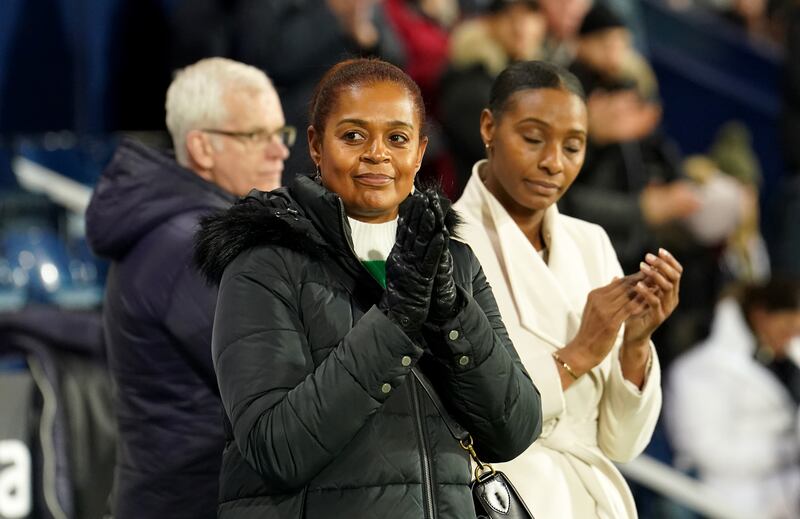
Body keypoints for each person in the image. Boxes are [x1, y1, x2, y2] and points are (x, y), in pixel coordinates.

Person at [194, 58, 542, 518]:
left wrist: (452, 314)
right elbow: (277, 450)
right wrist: (395, 320)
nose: (377, 153)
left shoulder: (455, 263)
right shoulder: (263, 263)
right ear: (316, 146)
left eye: (397, 138)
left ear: (419, 153)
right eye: (353, 136)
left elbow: (515, 430)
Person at [453, 60, 680, 519]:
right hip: (500, 495)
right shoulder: (447, 243)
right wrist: (578, 353)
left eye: (573, 146)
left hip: (591, 496)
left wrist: (636, 346)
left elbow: (623, 443)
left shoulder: (590, 242)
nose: (553, 162)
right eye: (533, 139)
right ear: (488, 128)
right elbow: (464, 414)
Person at [85, 57, 291, 519]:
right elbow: (278, 380)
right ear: (202, 148)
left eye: (282, 134)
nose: (279, 151)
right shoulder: (186, 246)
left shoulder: (188, 230)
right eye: (257, 135)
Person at [667, 278, 800, 519]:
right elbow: (708, 450)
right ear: (761, 316)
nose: (791, 341)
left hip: (782, 487)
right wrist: (785, 451)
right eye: (786, 330)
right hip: (727, 496)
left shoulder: (783, 359)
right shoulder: (699, 370)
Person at [439, 0, 547, 193]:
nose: (520, 26)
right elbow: (505, 159)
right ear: (488, 23)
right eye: (510, 16)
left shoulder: (540, 79)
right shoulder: (470, 81)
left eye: (529, 16)